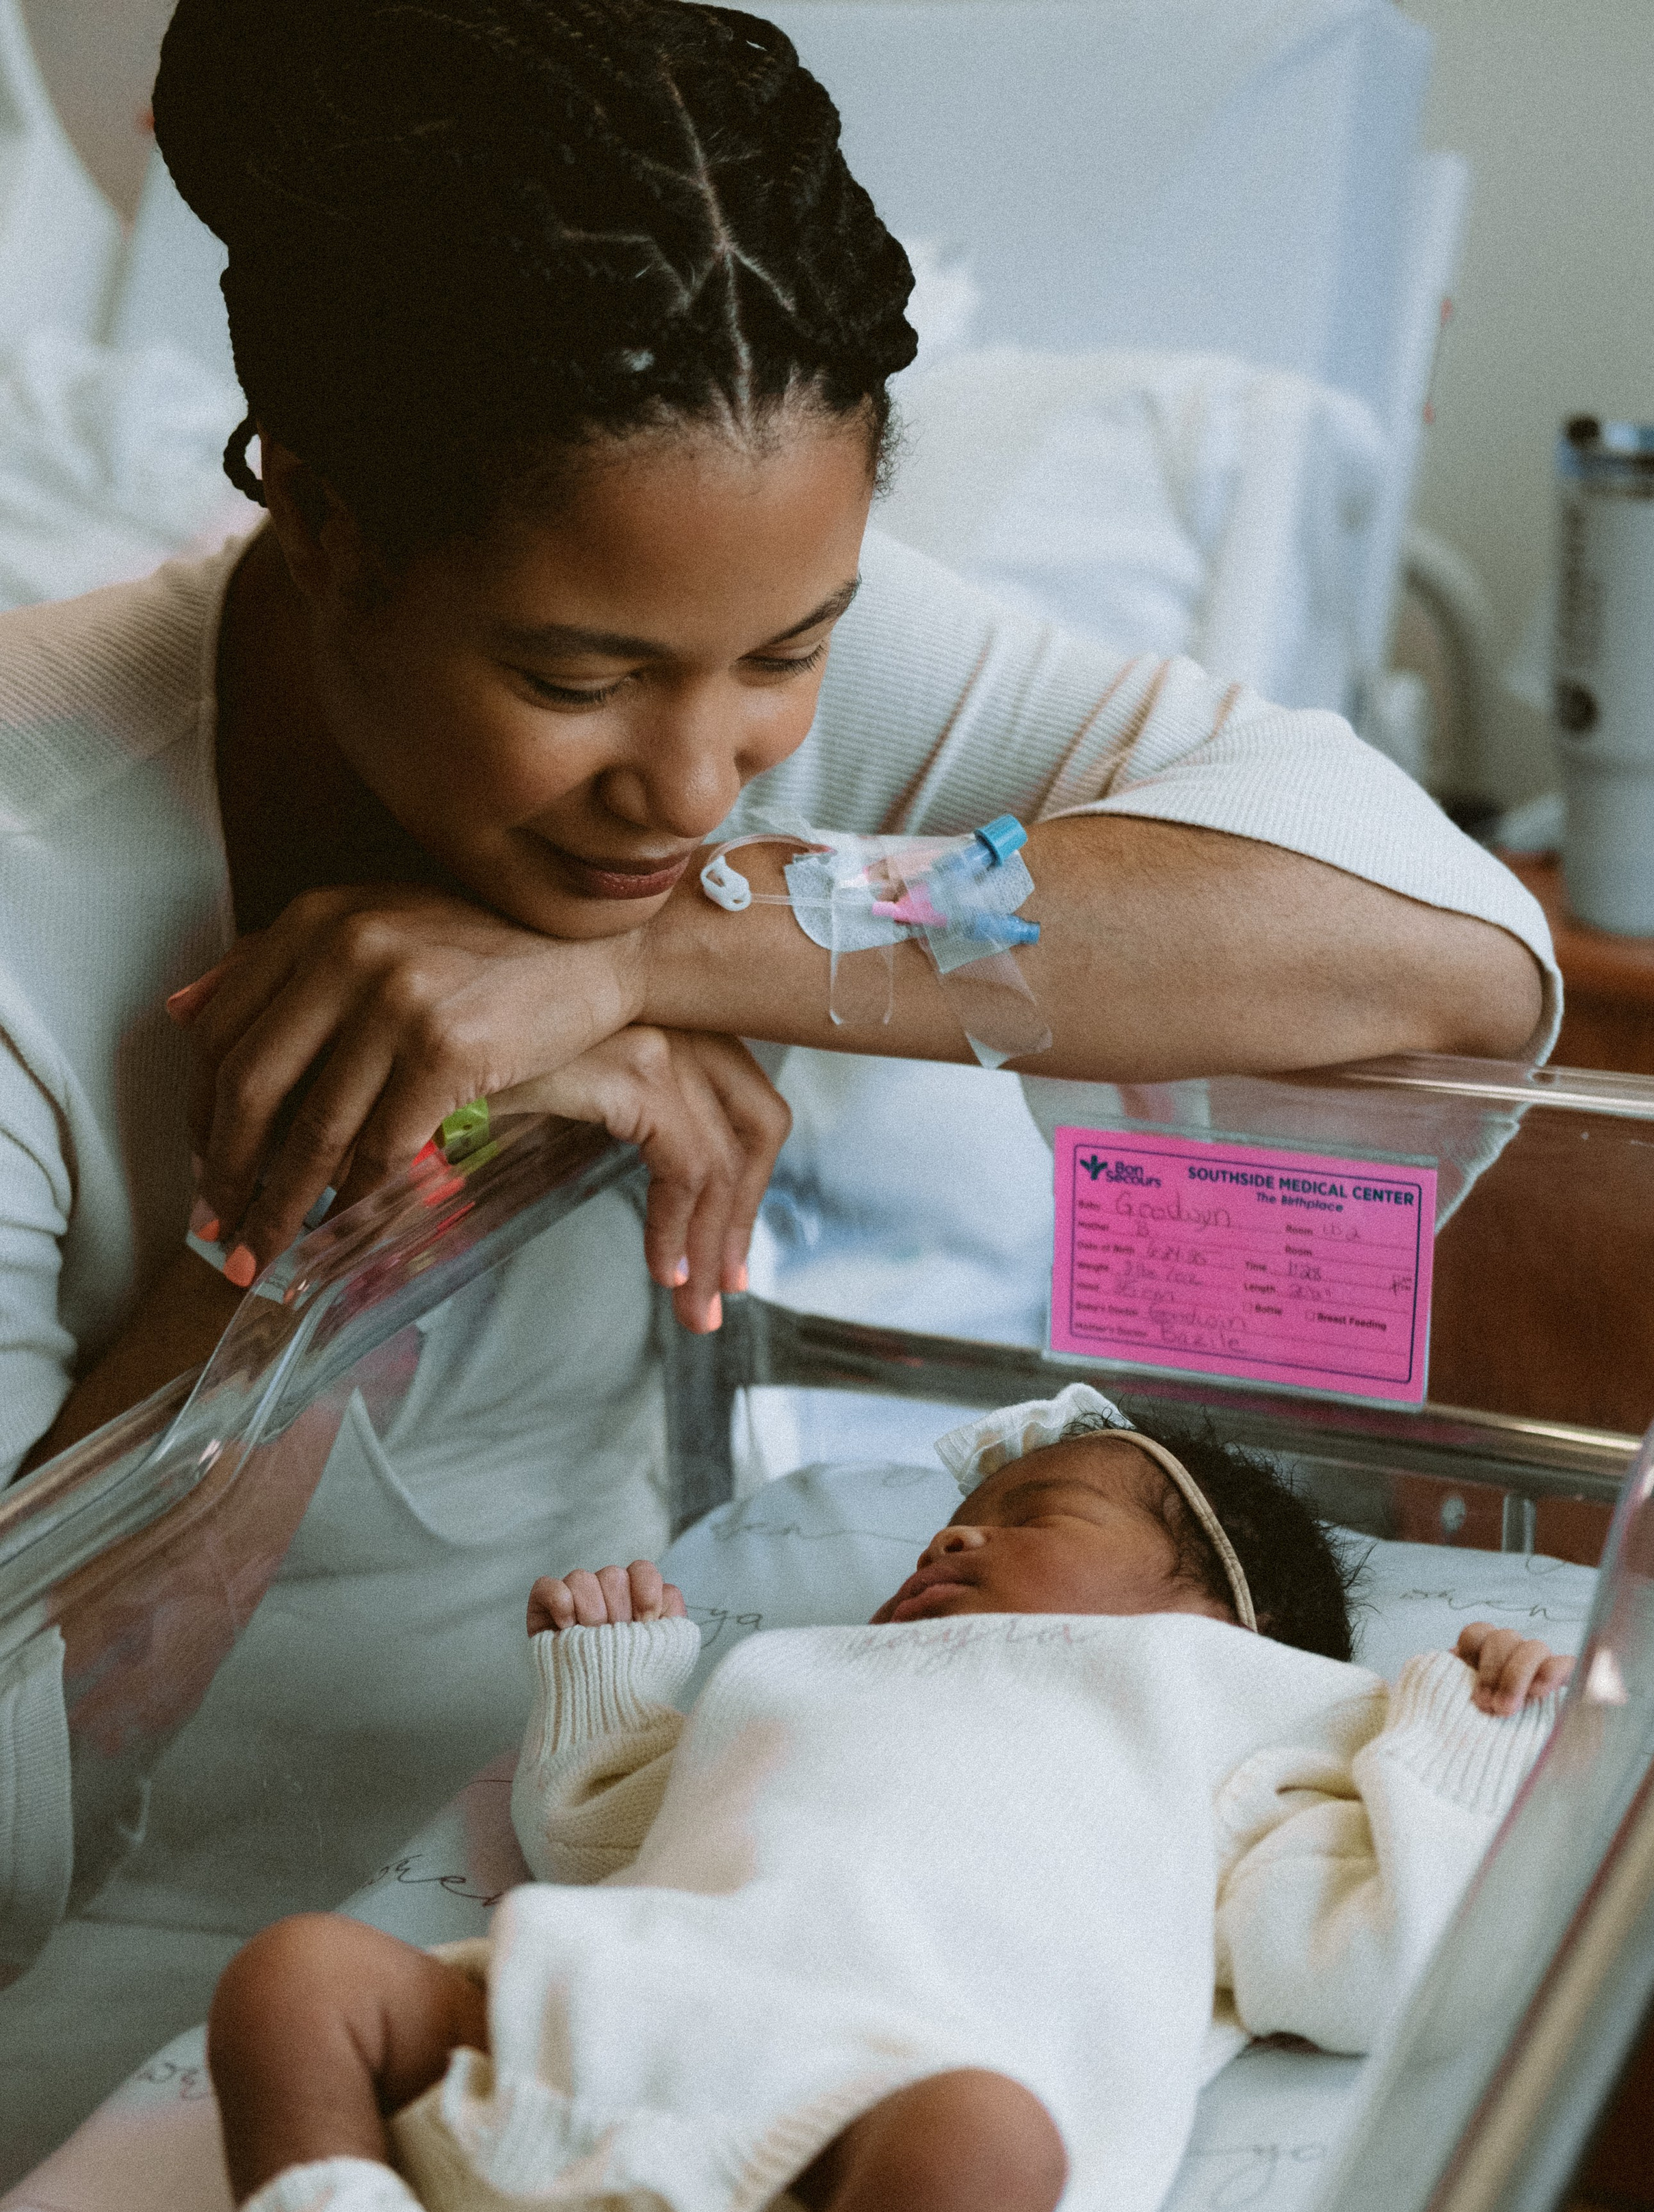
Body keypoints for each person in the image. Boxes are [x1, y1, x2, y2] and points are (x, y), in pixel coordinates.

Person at [0, 0, 1560, 1511]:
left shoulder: (780, 659)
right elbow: (47, 1727)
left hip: (633, 1711)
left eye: (788, 655)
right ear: (318, 516)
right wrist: (379, 1168)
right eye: (574, 679)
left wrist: (664, 955)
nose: (693, 788)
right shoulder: (34, 879)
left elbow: (1444, 953)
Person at [150, 1385, 1573, 2212]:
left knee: (990, 2149)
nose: (960, 1532)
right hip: (574, 2058)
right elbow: (610, 1843)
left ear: (1216, 1606)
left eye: (1041, 1516)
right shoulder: (804, 1665)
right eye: (960, 1519)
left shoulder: (1237, 1709)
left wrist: (1447, 1757)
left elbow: (1365, 1969)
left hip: (842, 2165)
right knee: (299, 1978)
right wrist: (610, 1690)